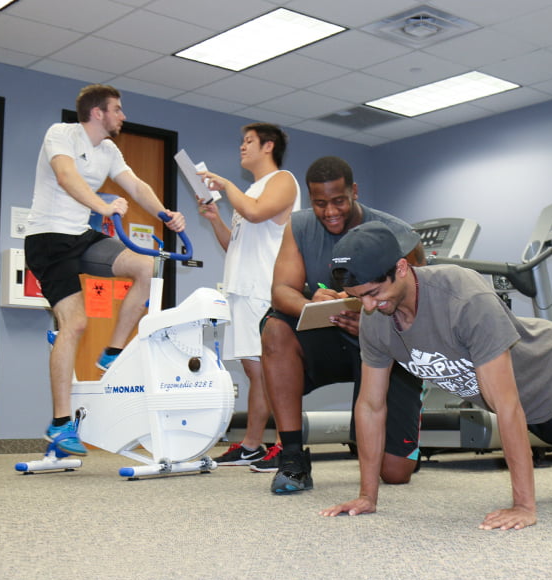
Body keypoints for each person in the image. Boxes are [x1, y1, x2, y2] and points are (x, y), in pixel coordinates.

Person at [320, 221, 552, 530]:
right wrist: (367, 496)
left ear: (402, 267)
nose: (368, 306)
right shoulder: (376, 318)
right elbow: (370, 406)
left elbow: (506, 404)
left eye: (373, 293)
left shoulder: (463, 299)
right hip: (529, 407)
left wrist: (523, 505)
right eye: (359, 297)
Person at [24, 84, 186, 457]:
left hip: (80, 236)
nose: (123, 116)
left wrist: (165, 214)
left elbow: (137, 185)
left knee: (146, 266)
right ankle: (61, 424)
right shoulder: (60, 133)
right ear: (98, 113)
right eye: (118, 109)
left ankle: (111, 351)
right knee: (75, 324)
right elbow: (66, 177)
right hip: (47, 240)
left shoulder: (109, 149)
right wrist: (103, 205)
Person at [260, 156, 427, 494]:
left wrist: (371, 321)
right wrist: (311, 304)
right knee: (275, 327)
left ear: (354, 191)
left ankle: (395, 442)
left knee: (395, 473)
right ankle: (292, 458)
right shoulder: (300, 226)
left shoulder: (397, 234)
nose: (330, 211)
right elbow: (281, 291)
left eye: (338, 201)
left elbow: (419, 308)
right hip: (331, 336)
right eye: (320, 203)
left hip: (386, 348)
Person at [196, 123, 301, 470]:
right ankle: (252, 445)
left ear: (268, 146)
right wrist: (215, 218)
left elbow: (257, 213)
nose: (242, 147)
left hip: (265, 288)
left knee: (273, 371)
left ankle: (288, 447)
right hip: (241, 289)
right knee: (255, 371)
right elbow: (234, 246)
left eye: (249, 142)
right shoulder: (251, 191)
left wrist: (225, 185)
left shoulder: (282, 180)